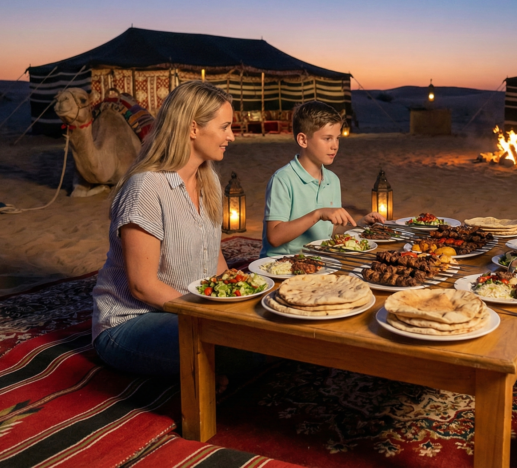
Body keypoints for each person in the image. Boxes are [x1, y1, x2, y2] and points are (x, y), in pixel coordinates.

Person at [92, 81, 262, 383]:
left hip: (186, 312)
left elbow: (213, 255)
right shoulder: (146, 187)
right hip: (131, 321)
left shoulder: (208, 182)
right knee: (241, 345)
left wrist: (240, 298)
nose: (231, 136)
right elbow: (143, 287)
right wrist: (211, 314)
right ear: (193, 128)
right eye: (224, 127)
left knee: (268, 331)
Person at [260, 101, 383, 257]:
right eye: (327, 138)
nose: (335, 146)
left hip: (319, 262)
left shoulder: (333, 180)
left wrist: (359, 225)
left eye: (337, 138)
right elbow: (275, 238)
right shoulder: (282, 179)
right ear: (303, 140)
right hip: (281, 264)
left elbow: (331, 232)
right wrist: (317, 214)